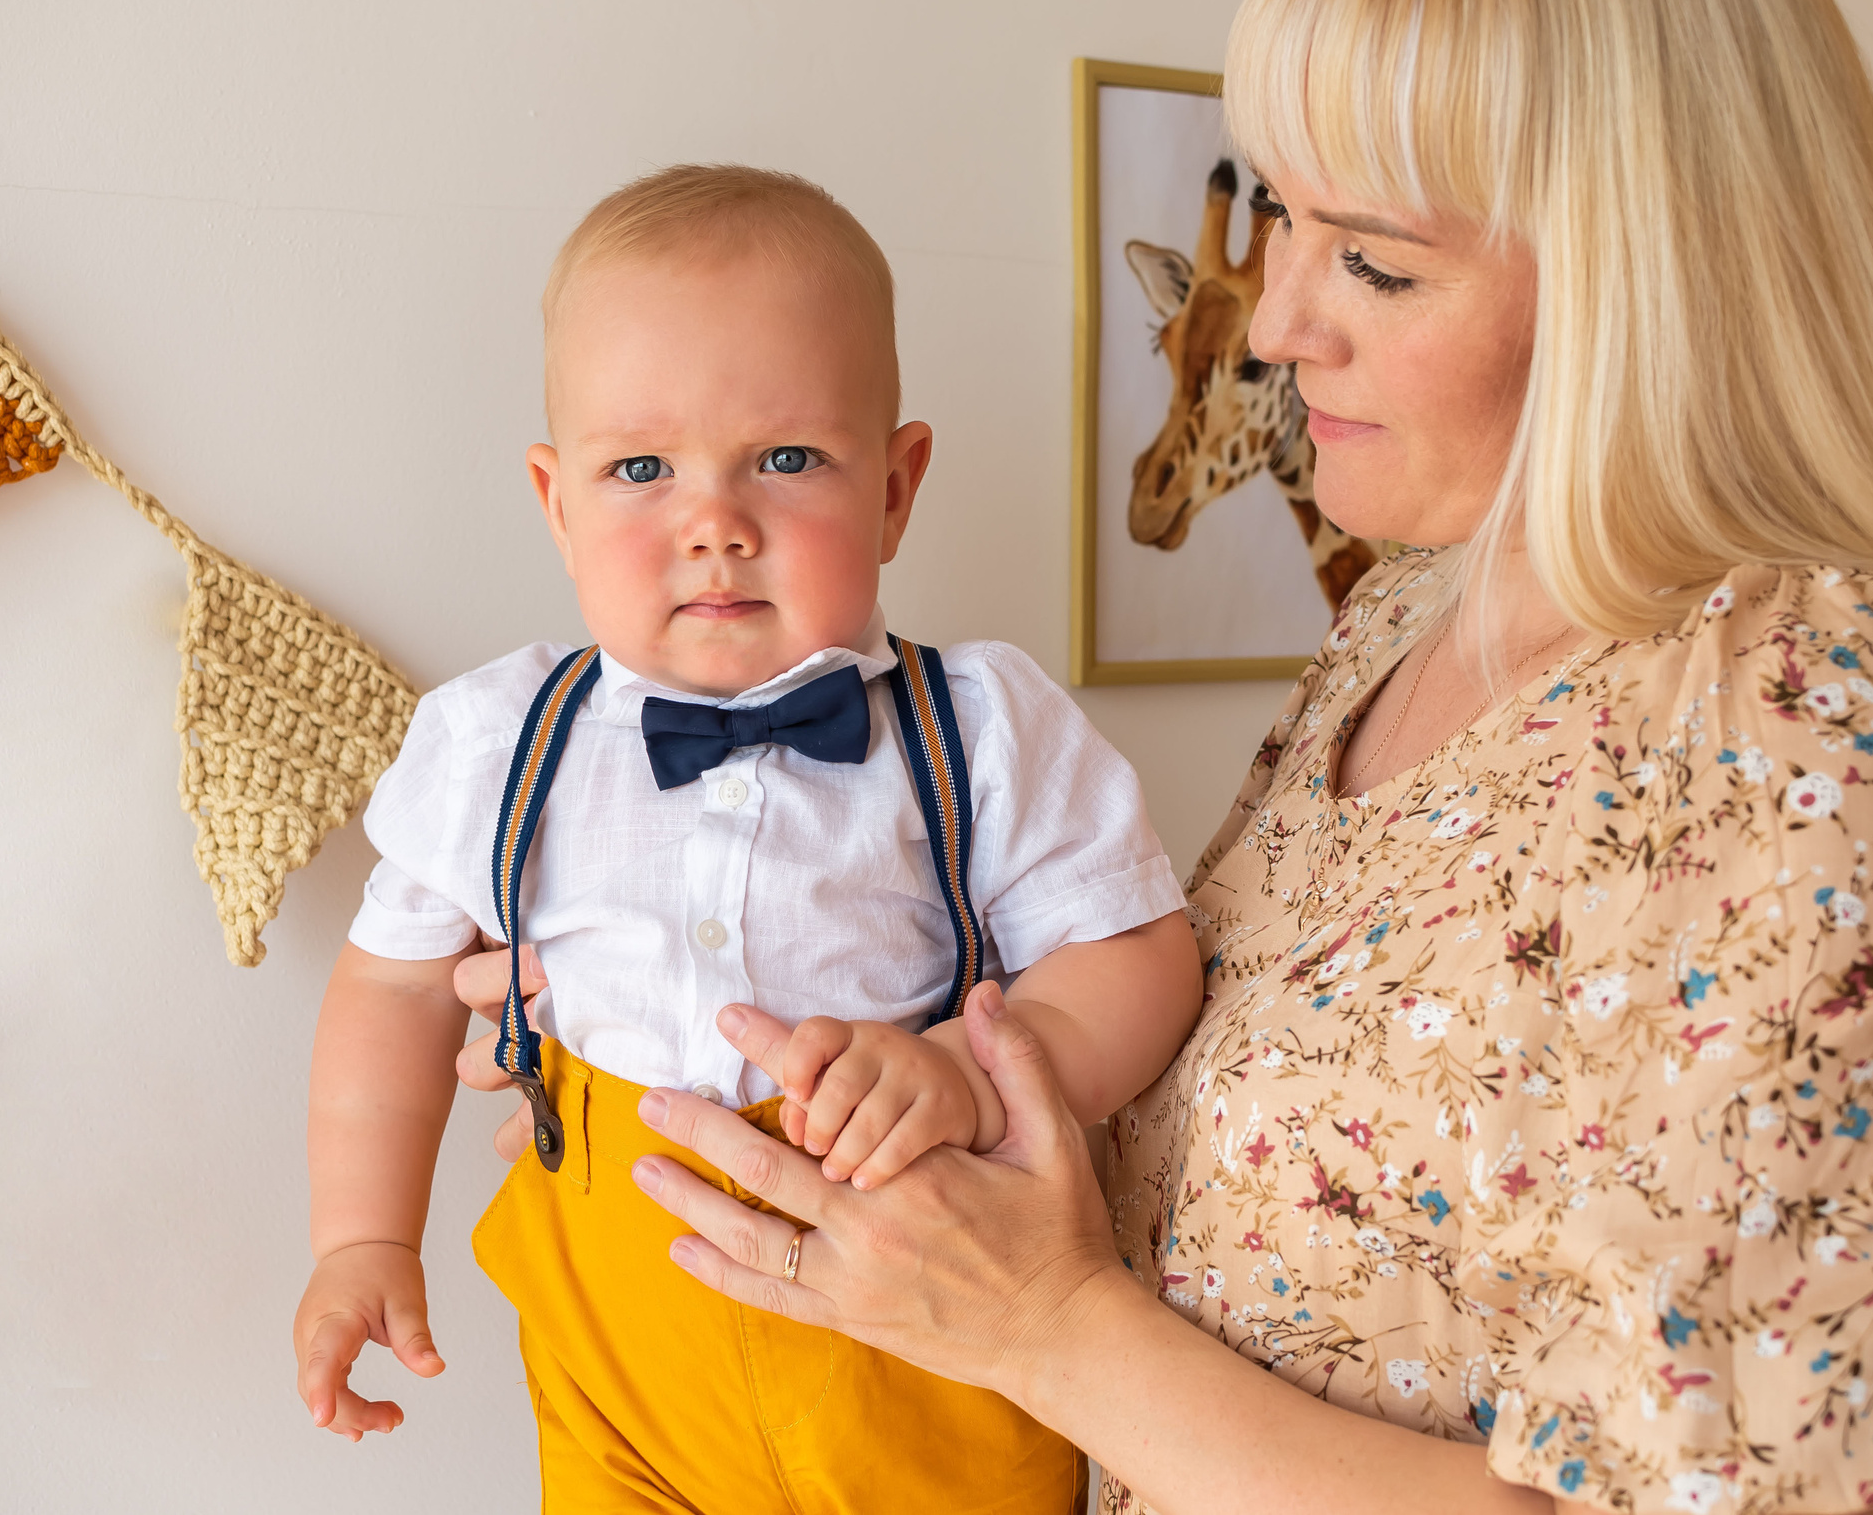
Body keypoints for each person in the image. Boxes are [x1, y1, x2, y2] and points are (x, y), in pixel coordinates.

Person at [457, 0, 1873, 1512]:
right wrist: (686, 989)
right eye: (1281, 215)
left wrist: (1046, 1328)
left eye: (1377, 260)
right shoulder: (1411, 619)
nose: (1273, 325)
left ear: (1644, 287)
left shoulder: (1813, 708)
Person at [291, 164, 1203, 1512]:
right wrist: (360, 1232)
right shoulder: (493, 742)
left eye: (786, 459)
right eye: (640, 467)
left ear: (896, 488)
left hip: (922, 1346)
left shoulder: (981, 724)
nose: (714, 521)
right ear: (556, 503)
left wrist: (976, 1070)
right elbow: (392, 983)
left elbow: (1140, 957)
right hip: (622, 1365)